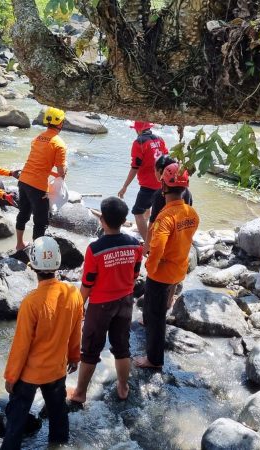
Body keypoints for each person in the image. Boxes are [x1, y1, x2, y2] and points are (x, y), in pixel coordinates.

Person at [2, 237, 83, 450]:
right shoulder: (73, 294)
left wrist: (11, 377)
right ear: (58, 263)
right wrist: (74, 357)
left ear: (33, 266)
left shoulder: (31, 302)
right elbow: (76, 330)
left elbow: (21, 345)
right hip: (56, 370)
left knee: (15, 424)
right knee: (58, 416)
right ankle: (58, 445)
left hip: (29, 374)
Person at [68, 197, 142, 403]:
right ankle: (123, 387)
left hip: (100, 306)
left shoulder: (95, 249)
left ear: (102, 221)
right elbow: (135, 274)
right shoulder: (135, 245)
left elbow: (87, 283)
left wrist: (79, 305)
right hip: (126, 301)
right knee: (122, 347)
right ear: (123, 220)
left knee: (90, 350)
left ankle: (80, 393)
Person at [134, 163, 199, 369]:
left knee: (156, 317)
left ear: (163, 186)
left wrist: (151, 267)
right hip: (179, 268)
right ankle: (148, 323)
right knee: (155, 309)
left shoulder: (165, 216)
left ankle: (154, 359)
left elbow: (158, 245)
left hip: (162, 273)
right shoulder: (191, 213)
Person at [15, 107, 67, 251]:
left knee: (23, 213)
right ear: (60, 123)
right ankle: (37, 252)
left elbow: (39, 164)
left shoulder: (37, 138)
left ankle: (19, 244)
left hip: (23, 180)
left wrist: (54, 174)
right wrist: (63, 172)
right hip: (37, 186)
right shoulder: (59, 144)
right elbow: (61, 172)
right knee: (41, 221)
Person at [117, 121, 168, 243]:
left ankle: (148, 242)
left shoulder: (139, 142)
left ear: (138, 130)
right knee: (149, 206)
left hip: (148, 184)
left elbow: (135, 166)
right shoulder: (160, 139)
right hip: (163, 182)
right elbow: (166, 158)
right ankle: (144, 228)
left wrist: (125, 186)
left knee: (137, 212)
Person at [148, 156, 194, 250]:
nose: (154, 173)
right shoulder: (187, 193)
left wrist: (147, 245)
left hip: (165, 243)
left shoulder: (159, 195)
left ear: (161, 171)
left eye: (155, 170)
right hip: (181, 242)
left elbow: (153, 222)